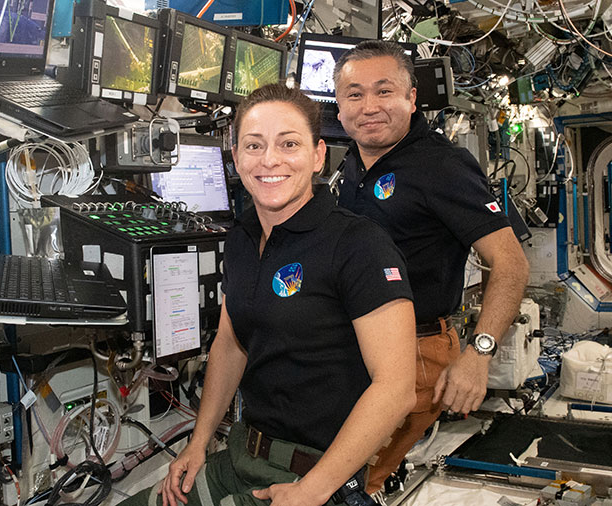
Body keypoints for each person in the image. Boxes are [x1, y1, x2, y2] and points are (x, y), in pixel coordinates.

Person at [121, 83, 416, 506]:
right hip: (241, 456)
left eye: (289, 144)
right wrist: (199, 442)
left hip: (312, 475)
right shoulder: (241, 238)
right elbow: (230, 343)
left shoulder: (358, 244)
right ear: (237, 158)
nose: (270, 160)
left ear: (317, 156)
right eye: (254, 146)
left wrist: (313, 490)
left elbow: (397, 387)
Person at [333, 40, 531, 493]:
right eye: (354, 94)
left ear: (411, 98)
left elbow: (511, 263)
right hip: (353, 347)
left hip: (414, 350)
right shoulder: (351, 162)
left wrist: (478, 356)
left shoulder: (441, 164)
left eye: (384, 92)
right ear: (339, 106)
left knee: (348, 481)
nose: (369, 107)